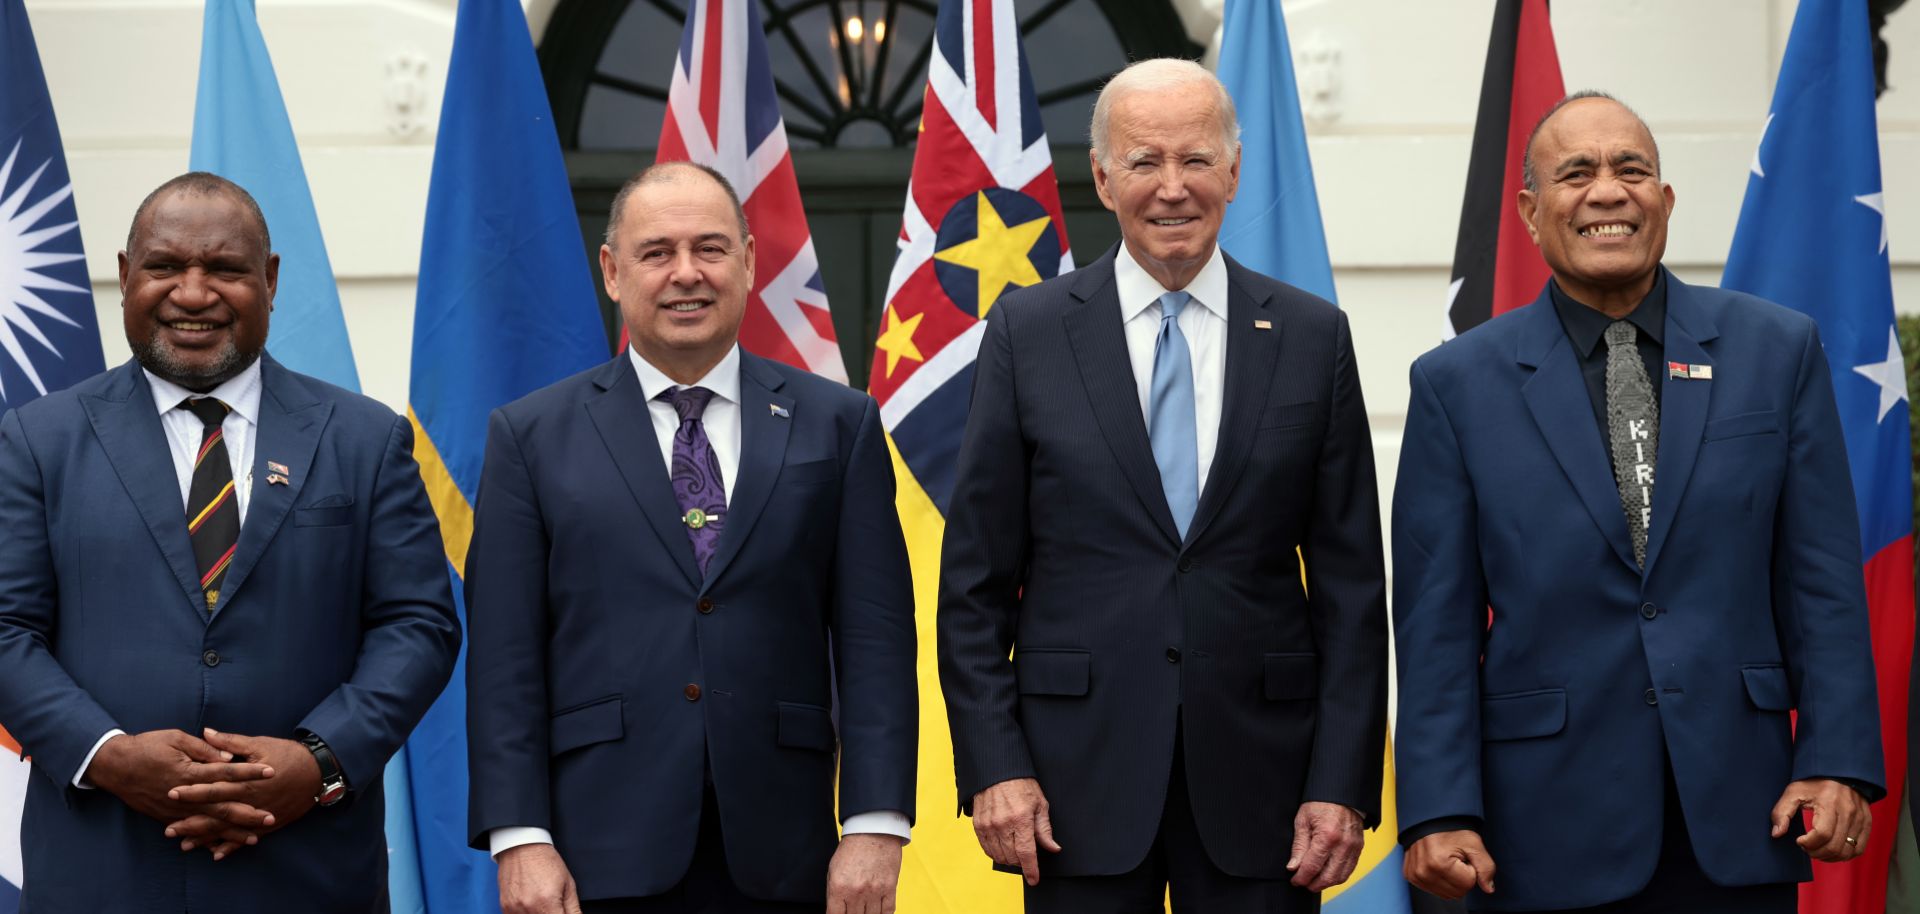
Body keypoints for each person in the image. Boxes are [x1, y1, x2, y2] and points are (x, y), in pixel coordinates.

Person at [1392, 92, 1884, 913]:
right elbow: (1435, 622)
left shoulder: (1777, 351)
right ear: (1530, 211)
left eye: (1632, 170)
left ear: (1665, 199)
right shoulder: (1456, 385)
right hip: (1538, 832)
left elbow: (1822, 583)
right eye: (1576, 173)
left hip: (1740, 819)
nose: (1608, 192)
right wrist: (1439, 809)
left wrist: (1834, 760)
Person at [936, 58, 1389, 912]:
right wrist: (996, 766)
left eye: (1195, 160)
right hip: (1071, 789)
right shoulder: (1028, 334)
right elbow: (973, 589)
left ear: (1234, 171)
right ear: (1104, 179)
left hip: (1268, 788)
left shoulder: (1311, 336)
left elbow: (1351, 594)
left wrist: (1342, 783)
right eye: (1144, 162)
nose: (1172, 188)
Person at [0, 172, 462, 912]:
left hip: (307, 872)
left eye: (224, 268)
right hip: (104, 873)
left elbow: (419, 626)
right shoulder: (36, 441)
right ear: (124, 276)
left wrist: (318, 759)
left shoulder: (365, 439)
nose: (192, 292)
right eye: (164, 266)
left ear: (270, 281)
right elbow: (6, 629)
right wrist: (110, 756)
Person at [465, 161, 917, 914]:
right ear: (612, 272)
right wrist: (519, 836)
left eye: (710, 249)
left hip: (788, 852)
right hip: (595, 854)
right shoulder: (530, 436)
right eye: (656, 253)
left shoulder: (839, 423)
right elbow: (506, 659)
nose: (686, 274)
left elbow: (876, 641)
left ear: (747, 261)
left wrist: (874, 824)